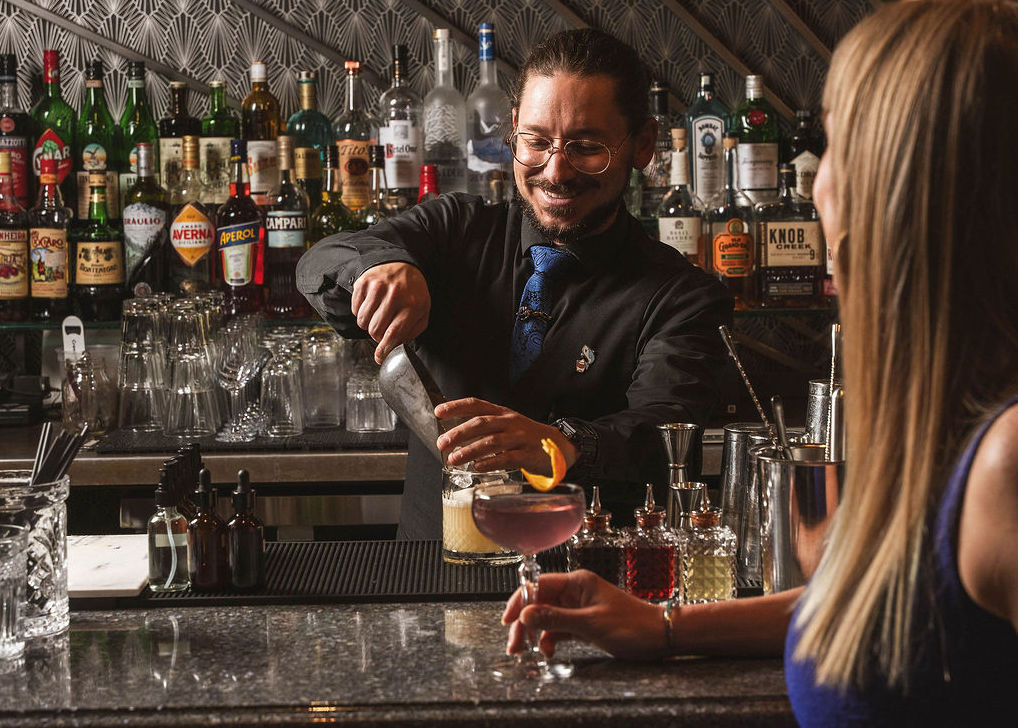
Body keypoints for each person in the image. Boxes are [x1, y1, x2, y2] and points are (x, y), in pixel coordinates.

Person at [501, 2, 1018, 725]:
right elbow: (888, 604)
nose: (815, 184)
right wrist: (664, 629)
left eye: (836, 144)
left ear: (911, 185)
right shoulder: (958, 410)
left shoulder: (1008, 465)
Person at [297, 29, 732, 539]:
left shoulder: (681, 297)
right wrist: (378, 267)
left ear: (643, 145)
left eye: (586, 147)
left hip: (586, 583)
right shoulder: (455, 230)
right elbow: (321, 262)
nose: (556, 171)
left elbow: (667, 431)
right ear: (513, 137)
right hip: (430, 573)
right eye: (536, 142)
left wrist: (563, 444)